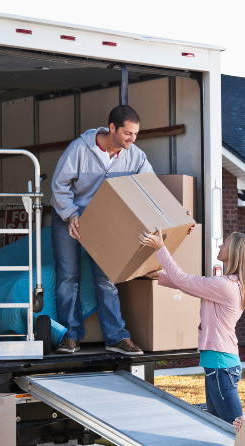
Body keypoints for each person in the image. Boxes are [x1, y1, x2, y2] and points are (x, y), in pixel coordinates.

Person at [139, 229, 245, 446]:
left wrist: (161, 248)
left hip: (220, 366)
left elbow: (185, 279)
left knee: (234, 434)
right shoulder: (228, 284)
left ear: (236, 253)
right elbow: (185, 284)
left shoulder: (227, 285)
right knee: (219, 432)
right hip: (218, 365)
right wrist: (157, 276)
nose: (220, 244)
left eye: (225, 243)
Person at [50, 105, 151, 355]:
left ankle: (116, 337)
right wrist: (71, 214)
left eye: (136, 134)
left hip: (104, 222)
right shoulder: (80, 149)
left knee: (107, 280)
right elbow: (59, 184)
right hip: (69, 217)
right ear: (113, 128)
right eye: (128, 133)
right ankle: (70, 336)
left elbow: (149, 190)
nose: (132, 139)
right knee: (68, 277)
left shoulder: (135, 156)